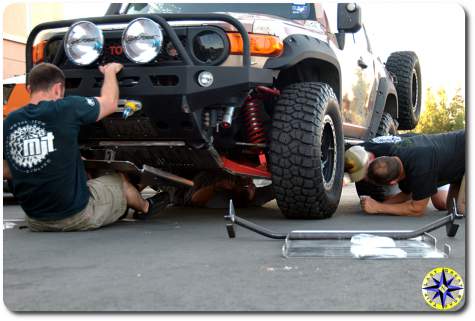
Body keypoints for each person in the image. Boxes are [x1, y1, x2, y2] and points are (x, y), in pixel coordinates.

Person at [3, 63, 165, 231]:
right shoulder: (66, 108)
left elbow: (5, 169)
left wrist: (36, 164)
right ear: (58, 89)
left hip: (35, 220)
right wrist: (110, 72)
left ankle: (118, 207)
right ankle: (146, 207)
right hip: (75, 217)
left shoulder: (10, 121)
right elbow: (110, 102)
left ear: (29, 89)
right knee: (119, 180)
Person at [346, 131, 465, 216]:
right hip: (457, 164)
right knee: (454, 210)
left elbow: (417, 209)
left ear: (393, 182)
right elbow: (407, 193)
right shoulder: (397, 152)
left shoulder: (421, 169)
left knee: (460, 209)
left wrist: (379, 208)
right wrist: (378, 204)